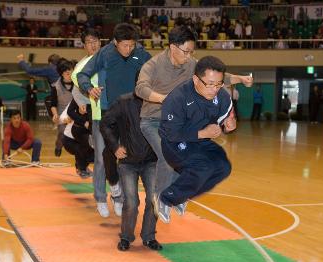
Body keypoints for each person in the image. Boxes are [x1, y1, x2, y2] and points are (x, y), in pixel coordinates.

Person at [135, 25, 252, 201]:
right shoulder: (153, 65)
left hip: (182, 122)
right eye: (186, 52)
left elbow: (218, 77)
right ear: (173, 47)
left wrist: (240, 79)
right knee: (168, 157)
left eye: (192, 52)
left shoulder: (190, 64)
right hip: (153, 120)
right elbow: (141, 89)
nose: (189, 56)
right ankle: (159, 199)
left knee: (192, 159)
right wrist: (164, 99)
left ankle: (177, 195)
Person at [77, 23, 151, 217]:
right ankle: (101, 198)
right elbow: (83, 74)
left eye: (132, 45)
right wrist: (88, 88)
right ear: (115, 42)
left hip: (132, 116)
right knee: (103, 158)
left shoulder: (142, 54)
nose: (128, 49)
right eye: (124, 45)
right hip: (106, 112)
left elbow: (155, 74)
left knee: (126, 158)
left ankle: (119, 198)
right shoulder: (105, 54)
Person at [155, 56, 236, 223]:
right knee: (203, 167)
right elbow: (170, 133)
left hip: (201, 142)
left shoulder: (223, 97)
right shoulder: (177, 98)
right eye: (210, 83)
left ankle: (182, 196)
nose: (214, 89)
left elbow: (221, 123)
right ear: (195, 79)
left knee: (223, 167)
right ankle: (165, 199)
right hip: (174, 144)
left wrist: (228, 126)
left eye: (219, 84)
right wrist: (202, 133)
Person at [100, 93, 161, 251]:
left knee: (154, 200)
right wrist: (114, 146)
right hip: (128, 162)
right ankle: (126, 236)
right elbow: (105, 124)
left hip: (152, 161)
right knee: (131, 202)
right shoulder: (123, 102)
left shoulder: (160, 103)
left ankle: (149, 237)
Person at [59, 101, 94, 178]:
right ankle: (81, 168)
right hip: (69, 140)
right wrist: (66, 119)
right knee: (82, 148)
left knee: (91, 149)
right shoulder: (74, 104)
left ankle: (82, 165)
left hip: (82, 139)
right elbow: (61, 118)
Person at [50, 59, 75, 158]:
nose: (69, 74)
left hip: (76, 113)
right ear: (62, 74)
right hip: (62, 115)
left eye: (70, 71)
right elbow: (53, 104)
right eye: (66, 72)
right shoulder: (55, 87)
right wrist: (55, 114)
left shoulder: (78, 84)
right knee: (62, 133)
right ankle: (58, 146)